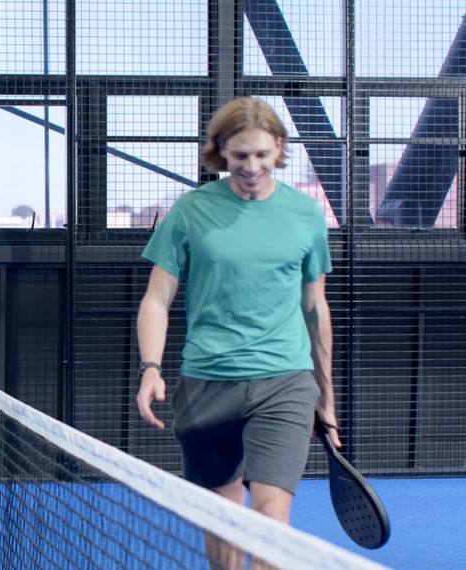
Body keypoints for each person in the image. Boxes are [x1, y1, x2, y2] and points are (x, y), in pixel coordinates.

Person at [134, 97, 340, 567]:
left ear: (279, 149)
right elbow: (156, 300)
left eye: (262, 155)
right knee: (223, 519)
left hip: (285, 380)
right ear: (220, 150)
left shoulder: (306, 215)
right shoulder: (190, 211)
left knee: (272, 518)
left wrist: (325, 393)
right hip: (207, 382)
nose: (252, 166)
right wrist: (150, 368)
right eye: (240, 155)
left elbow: (315, 307)